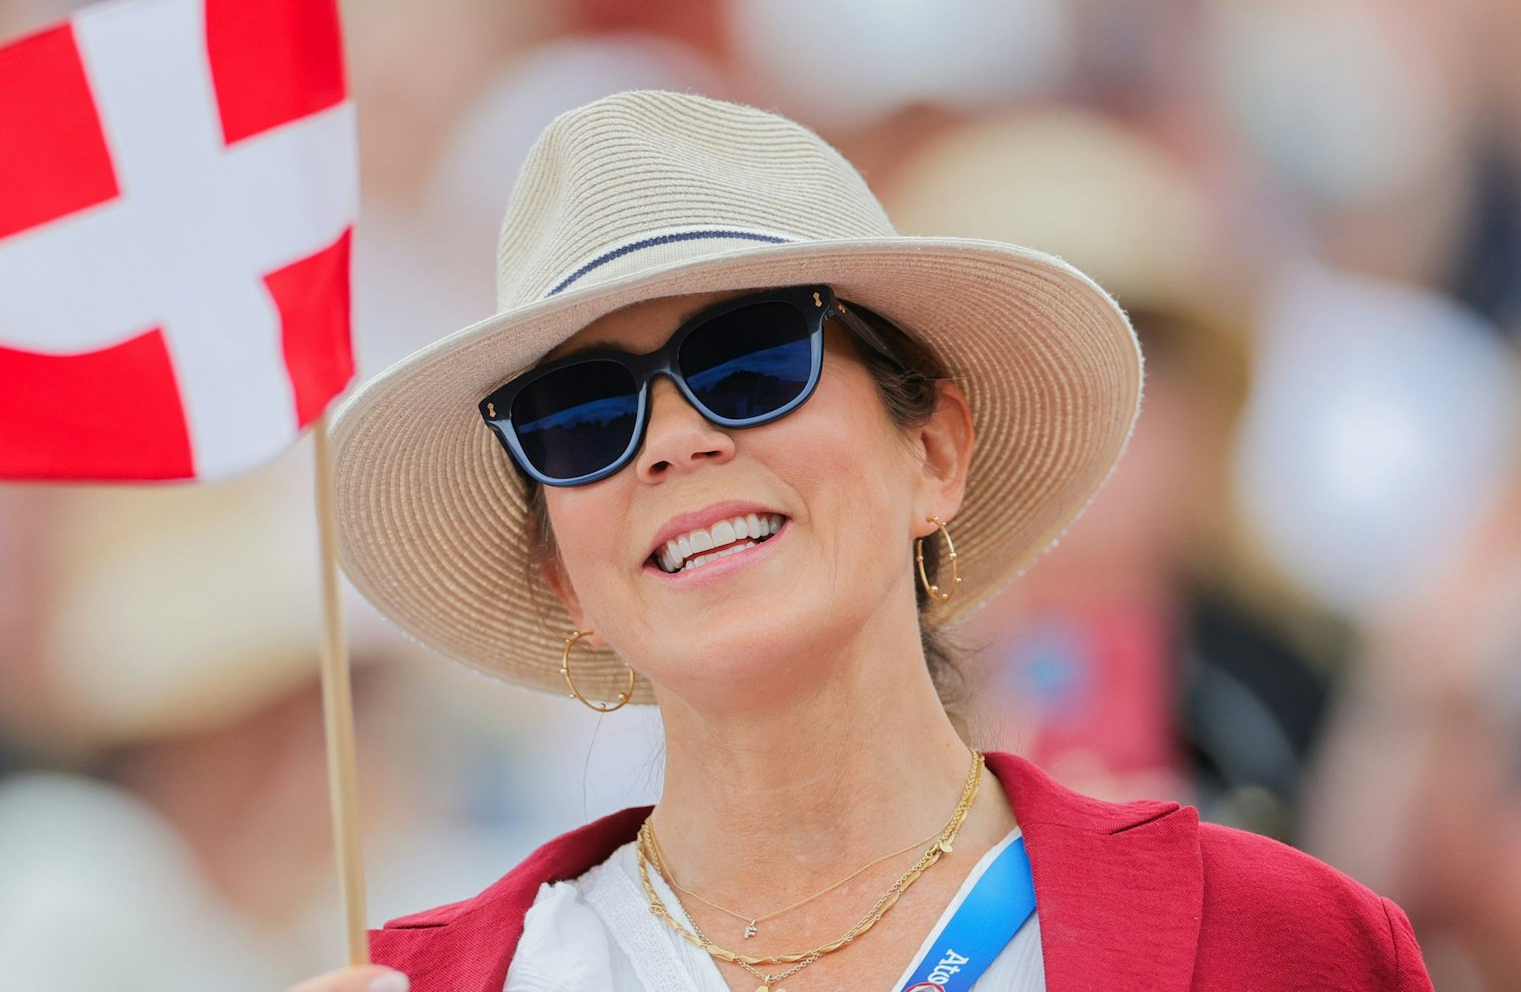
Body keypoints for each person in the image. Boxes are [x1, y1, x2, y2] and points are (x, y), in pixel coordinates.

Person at [291, 91, 1432, 991]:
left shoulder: (1283, 945)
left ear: (931, 453)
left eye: (750, 358)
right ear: (562, 576)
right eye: (579, 416)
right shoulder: (425, 986)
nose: (671, 443)